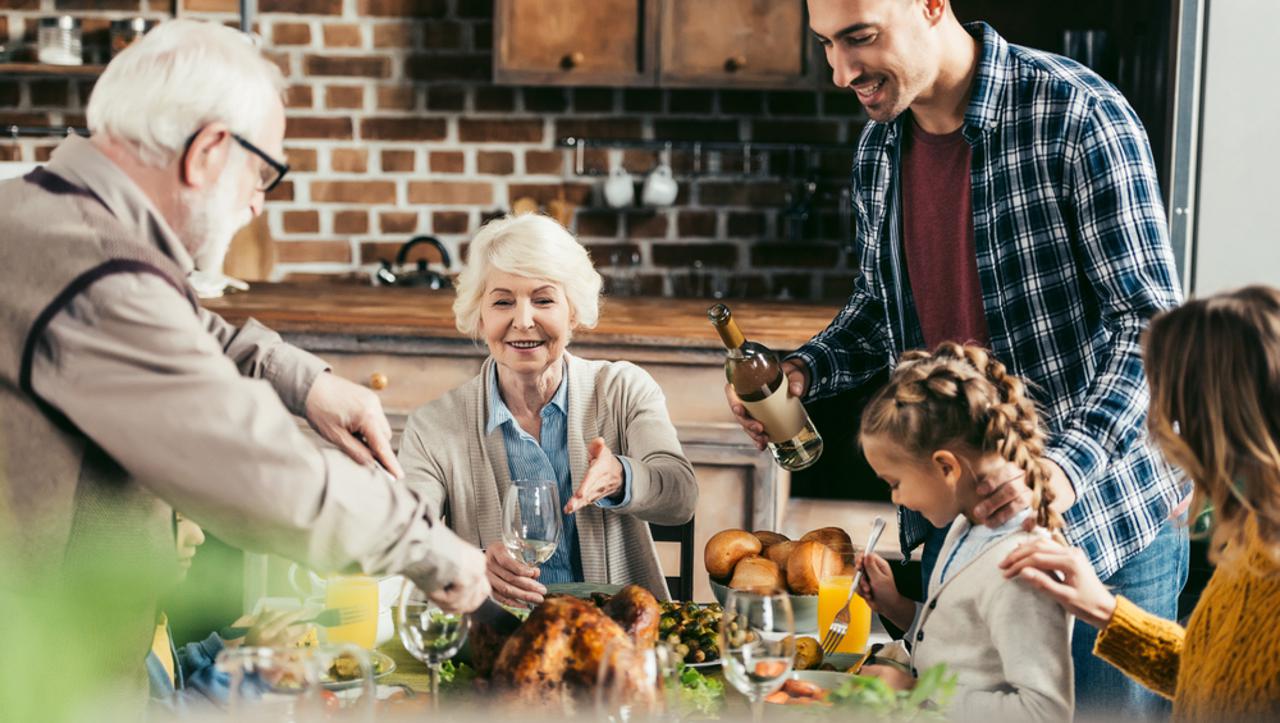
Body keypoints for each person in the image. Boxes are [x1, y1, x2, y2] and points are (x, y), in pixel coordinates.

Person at [0, 19, 488, 708]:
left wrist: (309, 383)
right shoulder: (96, 272)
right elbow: (262, 473)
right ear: (207, 152)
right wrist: (436, 548)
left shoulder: (36, 211)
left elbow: (185, 326)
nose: (258, 201)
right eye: (263, 174)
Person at [726, 0, 1186, 713]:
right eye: (825, 45)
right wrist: (804, 370)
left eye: (861, 38)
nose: (842, 71)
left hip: (1101, 526)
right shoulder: (880, 151)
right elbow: (880, 312)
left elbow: (1151, 328)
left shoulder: (1076, 115)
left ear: (933, 5)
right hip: (960, 533)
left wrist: (1059, 467)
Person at [1002, 286, 1280, 720]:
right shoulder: (1252, 539)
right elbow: (1211, 679)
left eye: (1174, 414)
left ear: (1225, 423)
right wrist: (1103, 609)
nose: (1159, 433)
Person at [398, 213, 698, 606]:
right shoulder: (434, 425)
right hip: (500, 642)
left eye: (543, 300)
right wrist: (465, 562)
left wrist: (621, 477)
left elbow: (681, 496)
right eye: (503, 302)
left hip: (620, 637)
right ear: (480, 314)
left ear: (572, 311)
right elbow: (404, 533)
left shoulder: (623, 389)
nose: (523, 321)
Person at [853, 342, 1072, 720]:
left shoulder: (1021, 568)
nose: (897, 498)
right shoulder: (963, 528)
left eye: (894, 482)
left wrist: (914, 693)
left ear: (946, 468)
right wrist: (895, 606)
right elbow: (962, 647)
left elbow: (1044, 712)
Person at [147, 513, 309, 709]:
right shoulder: (107, 631)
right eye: (178, 520)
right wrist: (247, 672)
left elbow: (163, 683)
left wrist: (219, 648)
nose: (198, 536)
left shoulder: (145, 611)